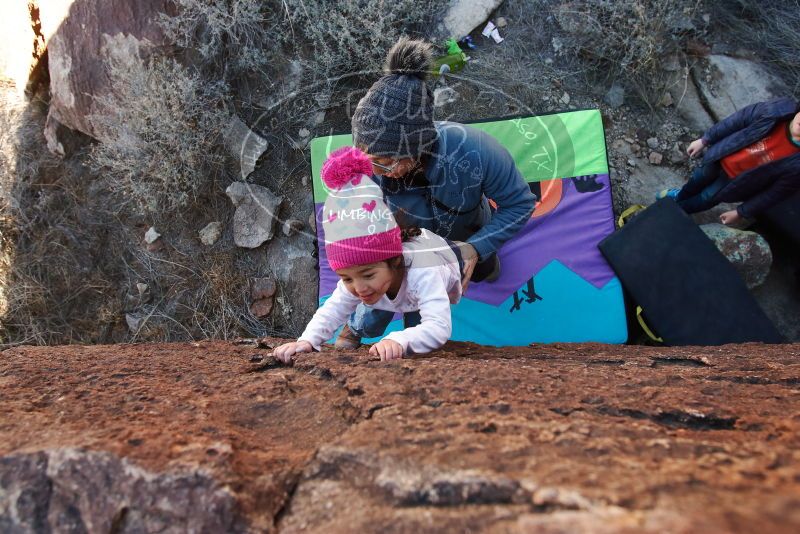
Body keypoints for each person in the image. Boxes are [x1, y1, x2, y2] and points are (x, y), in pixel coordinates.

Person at [338, 37, 536, 349]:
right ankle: (356, 329)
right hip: (402, 247)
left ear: (414, 150)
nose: (373, 171)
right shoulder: (367, 172)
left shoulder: (475, 150)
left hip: (469, 230)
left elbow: (520, 204)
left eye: (384, 162)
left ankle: (484, 264)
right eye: (366, 159)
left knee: (484, 270)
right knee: (387, 296)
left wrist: (476, 248)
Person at [272, 147, 464, 364]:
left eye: (367, 274)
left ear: (395, 260)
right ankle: (355, 326)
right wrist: (306, 341)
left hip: (440, 256)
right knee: (369, 318)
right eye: (347, 278)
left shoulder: (424, 272)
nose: (359, 287)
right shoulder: (363, 275)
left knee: (416, 338)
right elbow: (333, 308)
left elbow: (438, 326)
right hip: (391, 283)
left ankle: (473, 255)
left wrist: (399, 339)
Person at [657, 98, 800, 225]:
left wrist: (741, 212)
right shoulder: (775, 110)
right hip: (721, 156)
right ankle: (679, 196)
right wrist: (705, 139)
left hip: (736, 183)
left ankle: (674, 211)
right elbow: (736, 121)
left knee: (706, 198)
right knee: (697, 179)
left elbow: (774, 194)